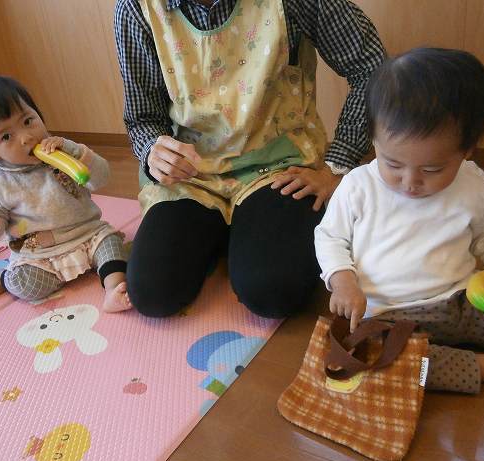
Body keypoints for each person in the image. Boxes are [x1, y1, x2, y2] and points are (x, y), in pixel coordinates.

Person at [114, 0, 385, 318]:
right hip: (191, 175)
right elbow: (144, 116)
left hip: (279, 165)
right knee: (152, 293)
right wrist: (152, 151)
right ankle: (235, 233)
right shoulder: (136, 7)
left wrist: (338, 165)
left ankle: (241, 236)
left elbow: (371, 68)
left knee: (274, 291)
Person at [315, 47, 484, 394]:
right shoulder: (358, 186)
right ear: (374, 139)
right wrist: (343, 281)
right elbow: (330, 237)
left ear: (466, 150)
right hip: (389, 315)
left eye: (432, 169)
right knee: (388, 363)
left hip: (461, 300)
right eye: (392, 163)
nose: (410, 181)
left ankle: (476, 345)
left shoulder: (472, 183)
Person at [0, 75, 132, 312]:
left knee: (115, 249)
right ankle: (3, 279)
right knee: (27, 286)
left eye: (28, 121)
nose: (27, 137)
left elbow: (102, 177)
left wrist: (75, 152)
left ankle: (114, 291)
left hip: (88, 234)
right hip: (40, 254)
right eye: (7, 136)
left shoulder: (63, 150)